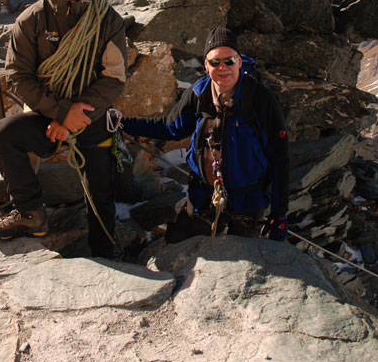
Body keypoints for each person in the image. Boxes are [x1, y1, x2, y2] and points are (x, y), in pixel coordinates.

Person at [0, 0, 127, 258]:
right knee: (5, 134)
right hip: (47, 115)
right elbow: (18, 76)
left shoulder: (108, 22)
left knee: (100, 192)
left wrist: (75, 116)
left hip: (90, 116)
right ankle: (30, 212)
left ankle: (103, 251)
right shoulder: (32, 20)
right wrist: (61, 113)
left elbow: (113, 78)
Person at [121, 27, 290, 242]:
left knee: (243, 261)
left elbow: (280, 158)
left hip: (249, 200)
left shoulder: (261, 99)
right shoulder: (199, 93)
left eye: (229, 61)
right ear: (206, 65)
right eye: (214, 62)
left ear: (239, 61)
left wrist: (279, 212)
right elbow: (171, 128)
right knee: (178, 244)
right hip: (203, 195)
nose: (223, 68)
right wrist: (124, 124)